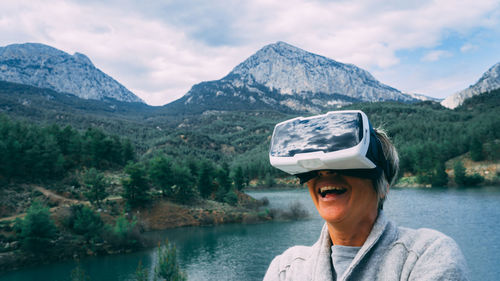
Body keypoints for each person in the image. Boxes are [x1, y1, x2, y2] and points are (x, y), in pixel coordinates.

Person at [264, 110, 468, 281]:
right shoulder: (286, 269)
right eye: (315, 167)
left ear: (383, 185)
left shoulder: (426, 255)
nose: (325, 173)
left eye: (344, 162)